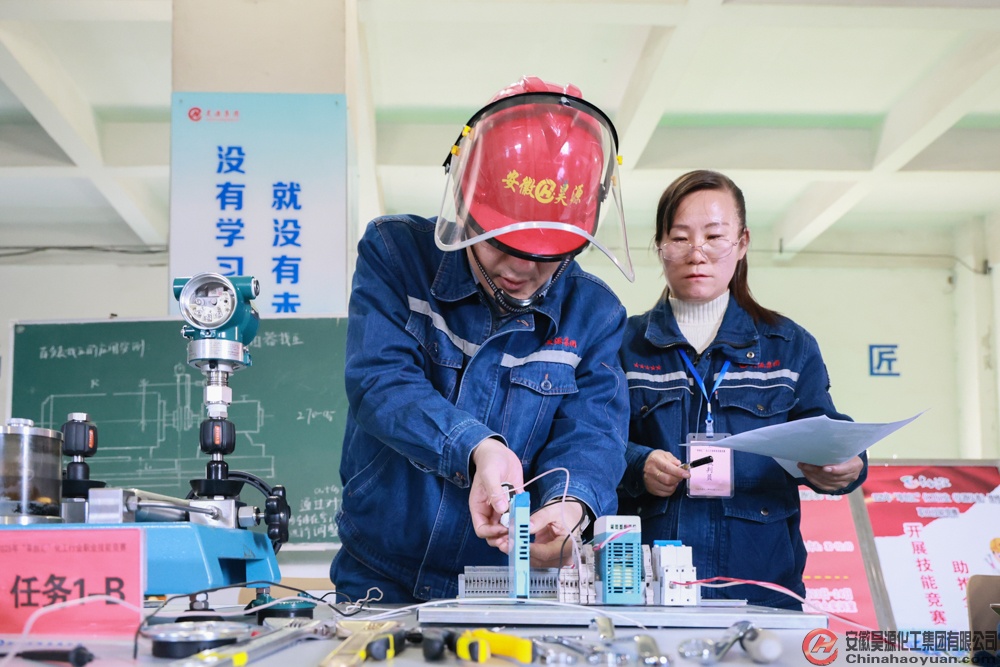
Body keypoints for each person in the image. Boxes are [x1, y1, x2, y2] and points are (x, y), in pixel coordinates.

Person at [331, 77, 634, 602]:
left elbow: (594, 435)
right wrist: (477, 448)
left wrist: (570, 505)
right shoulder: (395, 254)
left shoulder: (595, 313)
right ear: (464, 204)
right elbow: (381, 382)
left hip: (505, 582)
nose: (521, 269)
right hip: (381, 569)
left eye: (545, 255)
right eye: (500, 244)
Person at [618, 169, 867, 609]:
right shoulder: (622, 345)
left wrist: (847, 466)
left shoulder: (788, 346)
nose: (697, 254)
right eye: (680, 238)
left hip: (762, 587)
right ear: (659, 245)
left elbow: (824, 430)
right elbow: (588, 440)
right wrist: (638, 463)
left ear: (743, 242)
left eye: (714, 237)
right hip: (647, 590)